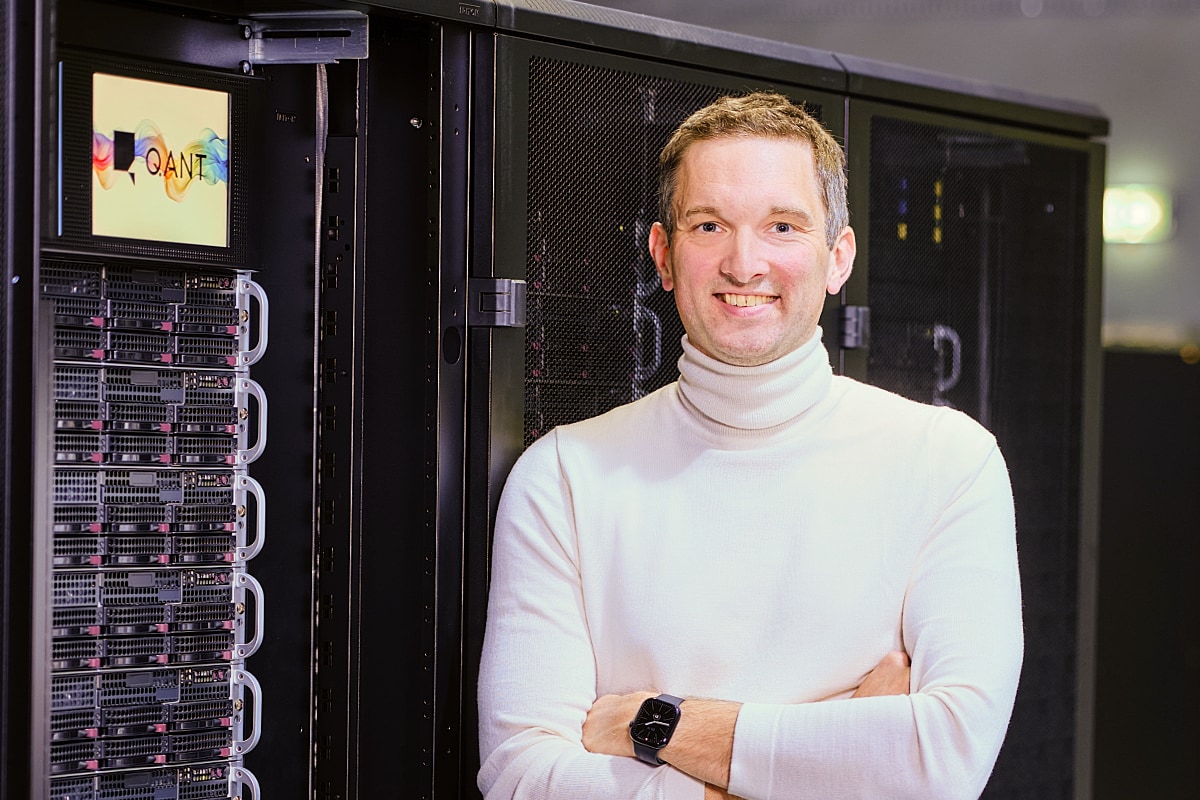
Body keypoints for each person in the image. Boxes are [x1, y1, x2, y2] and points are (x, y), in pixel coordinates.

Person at [477, 91, 1022, 800]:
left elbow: (944, 759)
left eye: (782, 226)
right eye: (709, 225)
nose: (744, 262)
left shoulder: (948, 462)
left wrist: (656, 727)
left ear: (837, 257)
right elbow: (521, 778)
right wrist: (841, 757)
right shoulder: (564, 476)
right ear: (663, 255)